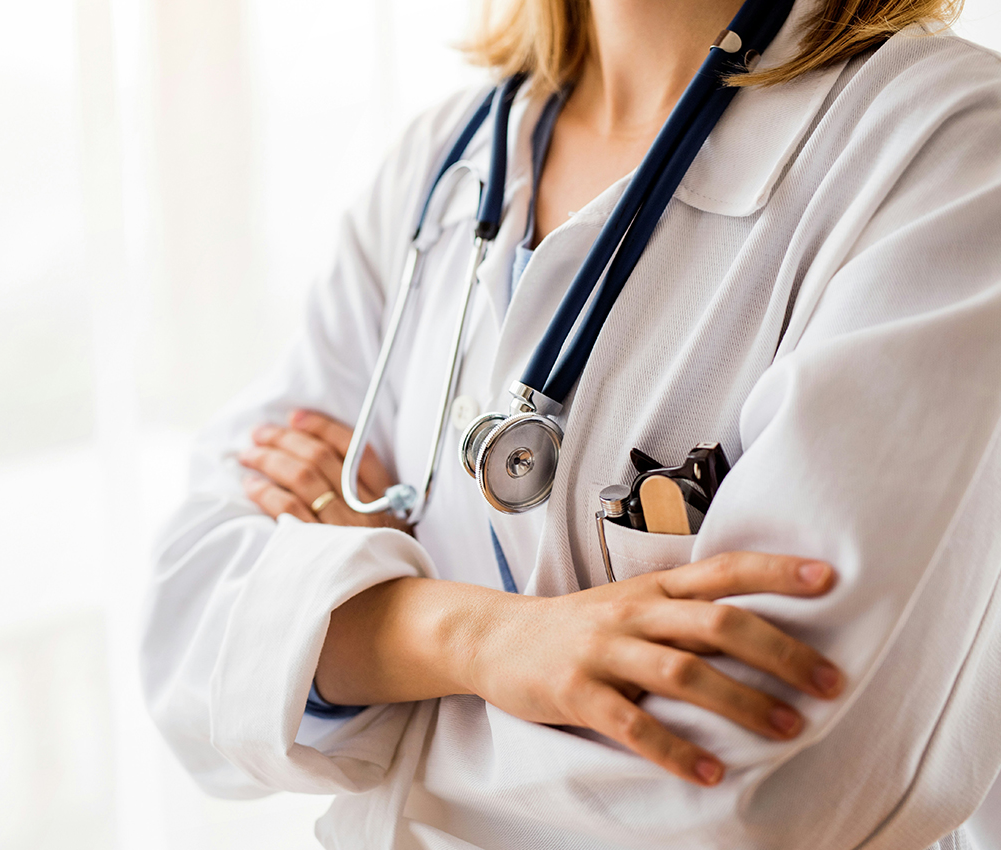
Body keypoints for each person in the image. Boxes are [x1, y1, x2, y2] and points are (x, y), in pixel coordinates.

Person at [142, 0, 1001, 846]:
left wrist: (345, 650)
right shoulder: (444, 162)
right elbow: (189, 638)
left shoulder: (944, 146)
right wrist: (476, 640)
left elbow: (760, 795)